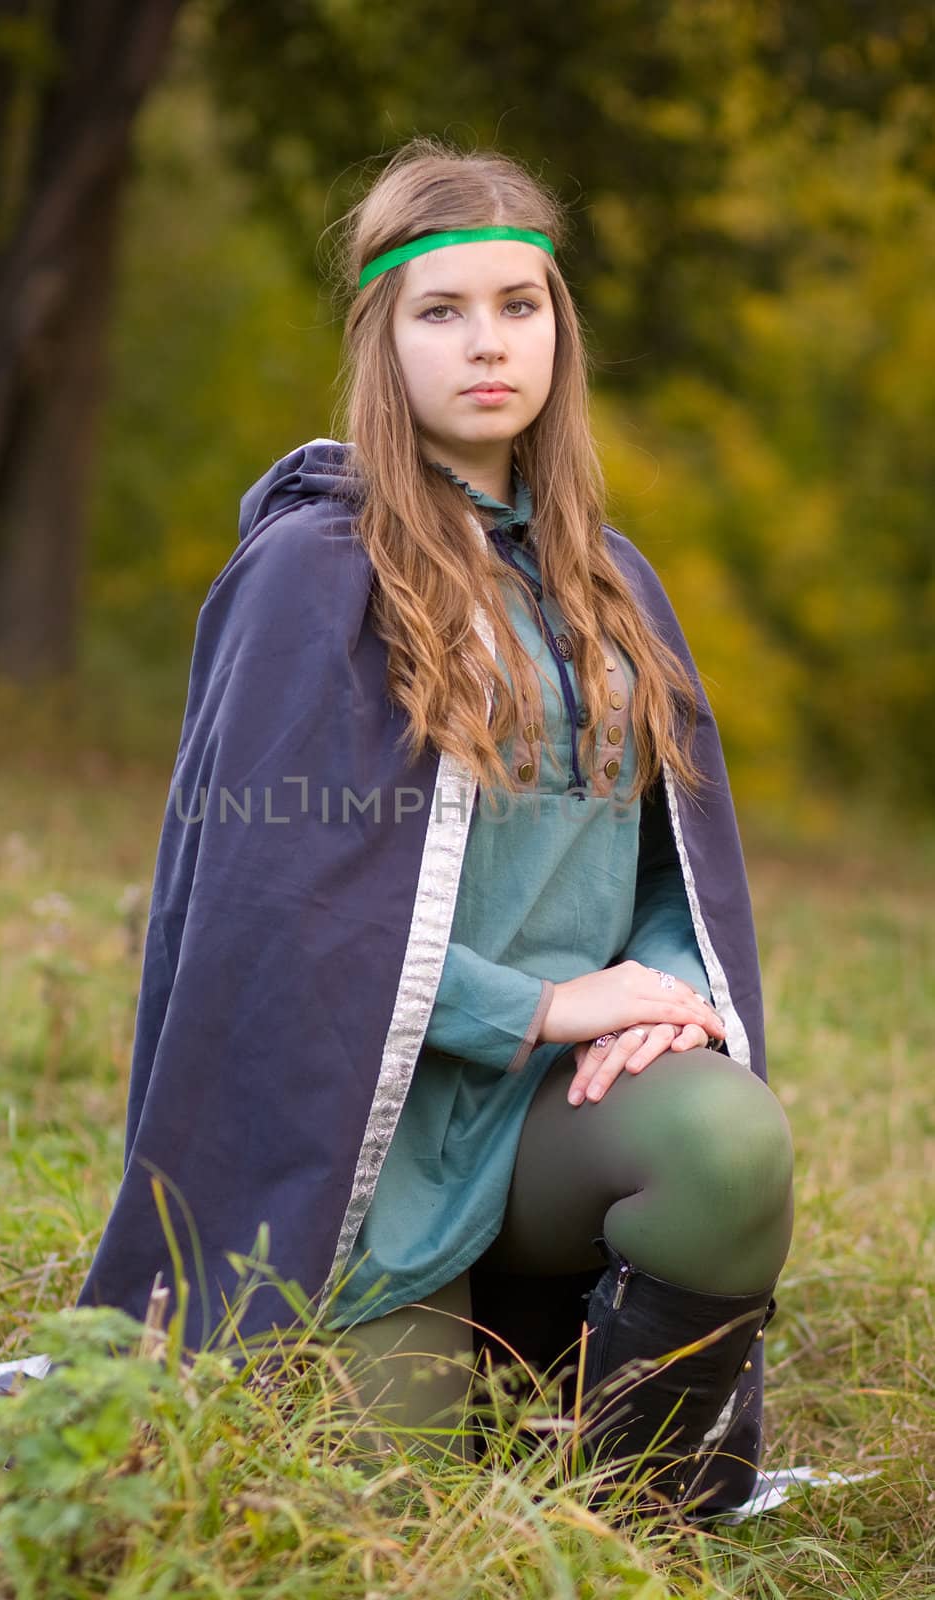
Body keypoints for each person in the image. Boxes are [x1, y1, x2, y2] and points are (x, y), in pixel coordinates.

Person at [77, 139, 794, 1514]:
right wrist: (536, 1006)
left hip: (549, 1121)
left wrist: (662, 998)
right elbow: (271, 910)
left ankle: (631, 1521)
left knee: (727, 1142)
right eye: (441, 311)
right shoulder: (311, 572)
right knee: (387, 1519)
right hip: (362, 1141)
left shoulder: (613, 584)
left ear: (558, 334)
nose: (487, 344)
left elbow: (670, 866)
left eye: (518, 307)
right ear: (382, 338)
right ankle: (422, 1364)